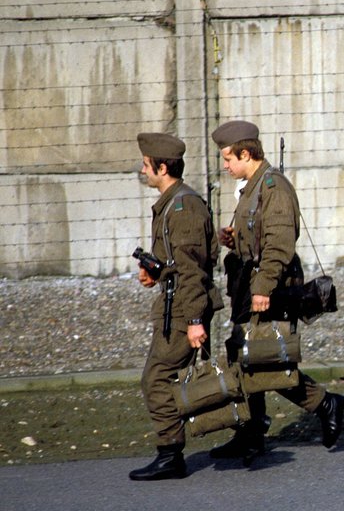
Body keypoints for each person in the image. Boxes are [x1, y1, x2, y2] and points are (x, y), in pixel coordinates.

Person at [208, 120, 344, 464]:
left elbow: (279, 245)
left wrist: (264, 288)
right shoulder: (252, 187)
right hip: (248, 285)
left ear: (245, 153)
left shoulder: (274, 187)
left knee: (264, 360)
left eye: (228, 158)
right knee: (246, 358)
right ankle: (250, 434)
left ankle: (324, 403)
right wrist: (233, 238)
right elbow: (257, 236)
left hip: (267, 288)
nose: (225, 165)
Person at [129, 133, 222, 481]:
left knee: (156, 379)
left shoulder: (183, 208)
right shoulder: (172, 203)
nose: (142, 168)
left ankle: (171, 455)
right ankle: (249, 432)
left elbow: (193, 269)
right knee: (163, 377)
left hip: (184, 308)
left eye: (146, 164)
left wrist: (196, 319)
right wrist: (155, 271)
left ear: (162, 167)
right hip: (178, 304)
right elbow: (178, 261)